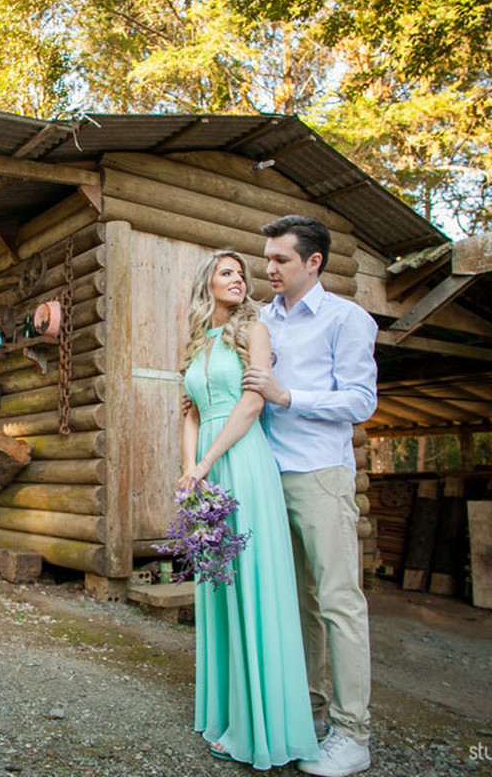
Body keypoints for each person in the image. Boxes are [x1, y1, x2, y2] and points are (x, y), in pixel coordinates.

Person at [241, 215, 378, 777]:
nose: (268, 269)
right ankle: (306, 715)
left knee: (339, 602)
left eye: (281, 260)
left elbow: (360, 402)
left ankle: (353, 735)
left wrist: (287, 395)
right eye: (267, 259)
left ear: (313, 262)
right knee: (296, 603)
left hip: (321, 474)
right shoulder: (258, 319)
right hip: (268, 477)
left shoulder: (348, 319)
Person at [179, 249, 320, 770]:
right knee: (218, 585)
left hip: (244, 458)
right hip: (206, 467)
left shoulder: (254, 329)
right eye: (227, 273)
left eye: (242, 274)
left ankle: (259, 725)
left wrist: (209, 460)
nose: (238, 280)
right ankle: (223, 713)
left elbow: (254, 403)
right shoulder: (197, 342)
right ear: (207, 283)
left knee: (251, 582)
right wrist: (189, 470)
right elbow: (189, 412)